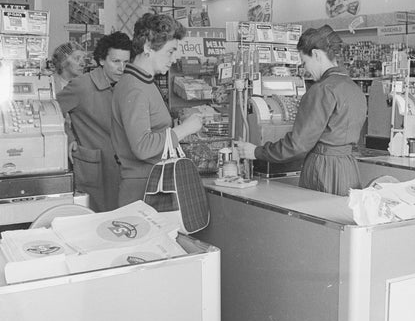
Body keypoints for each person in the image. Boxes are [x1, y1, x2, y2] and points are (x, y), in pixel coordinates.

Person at [235, 25, 367, 196]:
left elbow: (297, 144)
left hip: (323, 170)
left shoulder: (322, 90)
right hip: (349, 169)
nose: (305, 69)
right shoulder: (354, 88)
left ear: (317, 54)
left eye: (304, 62)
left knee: (317, 219)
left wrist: (256, 151)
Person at [111, 13, 203, 206]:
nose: (174, 58)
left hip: (150, 182)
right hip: (143, 190)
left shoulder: (143, 82)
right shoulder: (135, 87)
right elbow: (143, 147)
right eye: (170, 51)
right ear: (147, 47)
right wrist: (185, 129)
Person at [57, 31, 133, 212]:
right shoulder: (81, 86)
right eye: (116, 61)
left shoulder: (127, 85)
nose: (121, 68)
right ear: (101, 60)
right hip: (95, 169)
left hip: (124, 170)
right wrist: (68, 138)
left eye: (126, 62)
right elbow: (51, 113)